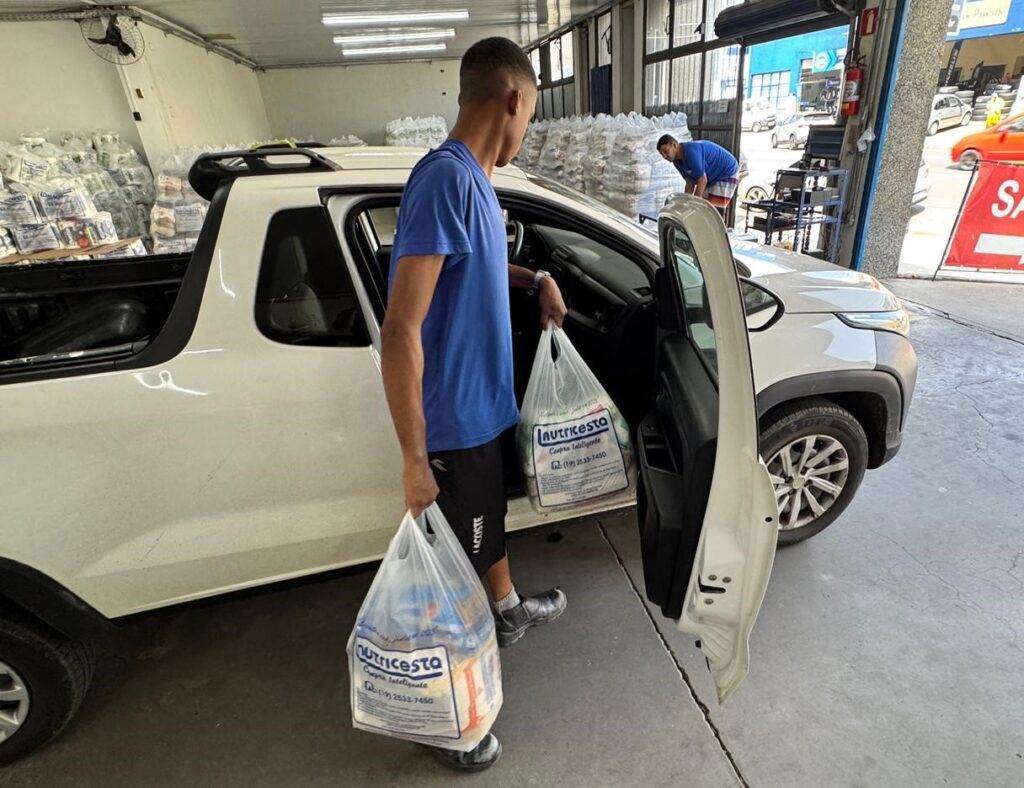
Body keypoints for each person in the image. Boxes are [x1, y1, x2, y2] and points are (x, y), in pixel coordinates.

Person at [380, 37, 569, 772]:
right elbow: (402, 327)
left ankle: (508, 605)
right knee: (446, 587)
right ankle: (446, 723)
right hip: (452, 425)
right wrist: (413, 459)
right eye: (531, 114)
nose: (528, 128)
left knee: (486, 534)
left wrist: (535, 279)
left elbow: (477, 264)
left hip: (482, 412)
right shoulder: (445, 179)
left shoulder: (478, 183)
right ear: (514, 100)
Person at [657, 135, 741, 217]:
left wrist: (694, 206)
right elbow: (689, 183)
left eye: (665, 151)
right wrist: (685, 204)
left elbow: (702, 180)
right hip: (712, 176)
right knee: (705, 210)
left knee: (714, 213)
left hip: (726, 172)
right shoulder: (677, 161)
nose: (664, 156)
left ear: (674, 145)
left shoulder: (690, 151)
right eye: (661, 154)